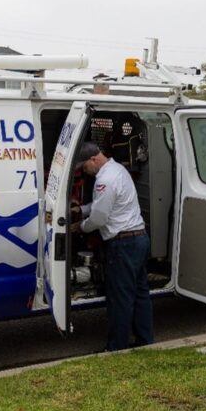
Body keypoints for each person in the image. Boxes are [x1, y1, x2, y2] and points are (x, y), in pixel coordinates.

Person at [70, 141, 154, 352]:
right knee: (140, 294)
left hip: (123, 244)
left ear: (93, 159)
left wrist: (80, 226)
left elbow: (99, 218)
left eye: (84, 167)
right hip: (139, 238)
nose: (84, 171)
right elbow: (103, 203)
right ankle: (145, 340)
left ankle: (116, 347)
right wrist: (81, 210)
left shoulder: (104, 180)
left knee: (120, 298)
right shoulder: (117, 170)